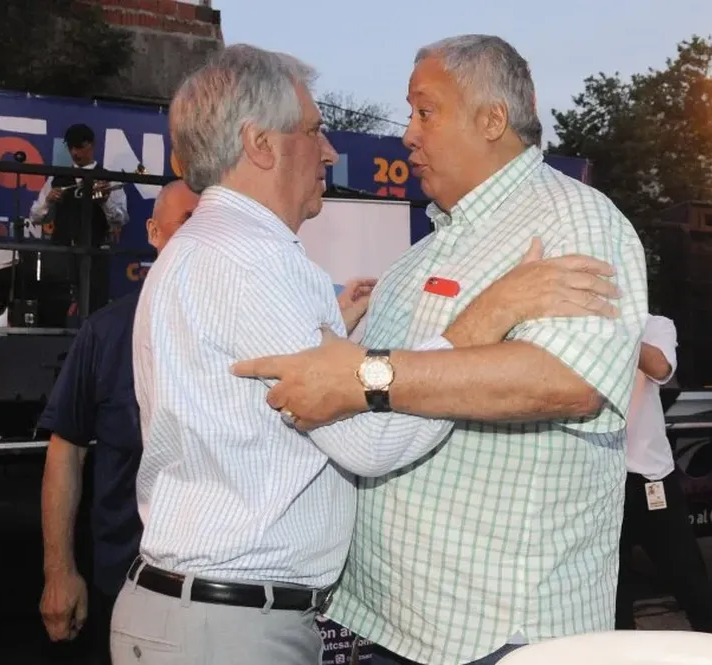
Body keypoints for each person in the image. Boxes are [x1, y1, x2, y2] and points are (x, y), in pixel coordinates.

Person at [119, 44, 620, 665]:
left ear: (493, 119)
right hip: (231, 628)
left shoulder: (571, 220)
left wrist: (349, 346)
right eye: (313, 131)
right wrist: (490, 313)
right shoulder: (253, 263)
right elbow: (370, 439)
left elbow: (570, 381)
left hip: (483, 629)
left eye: (424, 112)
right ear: (261, 144)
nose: (330, 150)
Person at [37, 180, 198, 665]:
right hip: (125, 582)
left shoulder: (249, 331)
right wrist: (59, 572)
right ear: (153, 231)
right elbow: (66, 449)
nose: (200, 235)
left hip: (220, 591)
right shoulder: (106, 332)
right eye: (187, 221)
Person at [614, 315, 712, 637]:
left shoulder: (654, 324)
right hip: (600, 478)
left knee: (689, 577)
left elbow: (660, 368)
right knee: (612, 591)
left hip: (650, 477)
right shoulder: (576, 324)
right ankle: (620, 655)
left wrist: (611, 329)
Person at [29, 123, 129, 327]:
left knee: (95, 307)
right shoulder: (56, 178)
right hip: (61, 250)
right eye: (71, 148)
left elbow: (121, 219)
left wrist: (105, 201)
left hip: (94, 250)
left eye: (80, 147)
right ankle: (50, 344)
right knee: (53, 305)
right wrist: (48, 201)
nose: (75, 153)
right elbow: (36, 217)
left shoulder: (108, 179)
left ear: (92, 145)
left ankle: (91, 346)